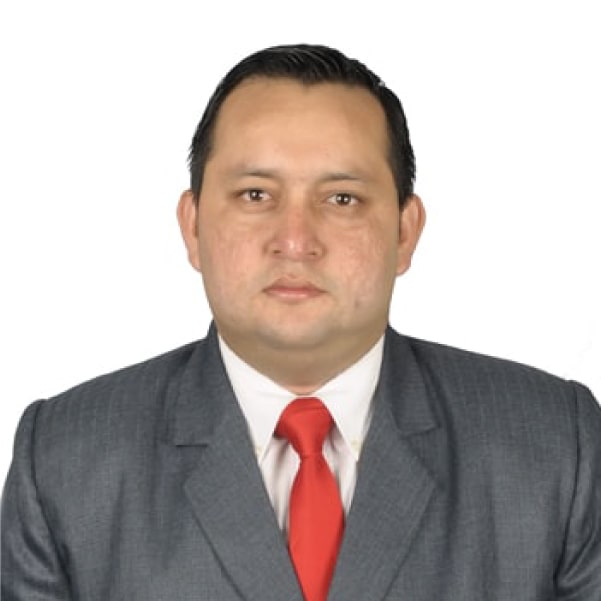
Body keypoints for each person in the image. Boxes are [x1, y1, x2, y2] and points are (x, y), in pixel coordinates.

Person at [1, 43, 600, 601]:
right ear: (192, 226)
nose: (294, 241)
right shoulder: (64, 458)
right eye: (255, 195)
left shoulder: (555, 448)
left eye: (342, 199)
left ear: (404, 232)